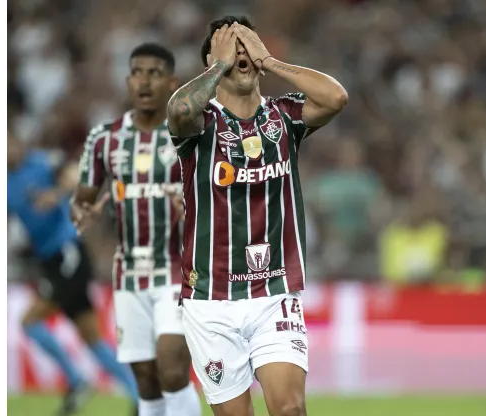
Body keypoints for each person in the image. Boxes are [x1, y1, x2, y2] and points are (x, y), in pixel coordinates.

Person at [167, 16, 348, 416]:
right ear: (212, 65)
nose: (241, 56)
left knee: (289, 410)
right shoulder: (201, 124)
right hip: (210, 299)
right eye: (233, 51)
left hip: (274, 292)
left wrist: (271, 61)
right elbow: (178, 109)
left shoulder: (284, 116)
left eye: (247, 47)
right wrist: (219, 64)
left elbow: (335, 98)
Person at [71, 43, 202, 416]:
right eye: (137, 72)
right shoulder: (104, 138)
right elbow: (81, 199)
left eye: (155, 73)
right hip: (128, 273)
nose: (144, 81)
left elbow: (214, 190)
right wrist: (84, 212)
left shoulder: (188, 135)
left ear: (172, 82)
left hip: (178, 271)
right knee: (145, 378)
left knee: (173, 370)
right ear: (128, 80)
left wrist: (191, 207)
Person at [7, 133, 139, 416]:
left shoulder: (40, 163)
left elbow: (72, 173)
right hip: (49, 261)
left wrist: (54, 195)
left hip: (68, 254)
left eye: (8, 141)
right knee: (91, 337)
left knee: (30, 320)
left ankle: (77, 380)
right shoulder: (5, 183)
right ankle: (138, 395)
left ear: (16, 142)